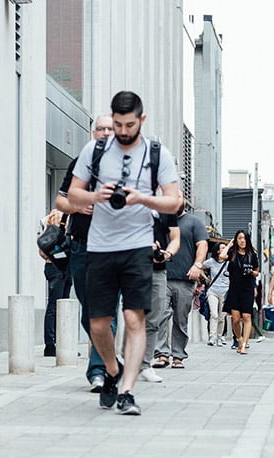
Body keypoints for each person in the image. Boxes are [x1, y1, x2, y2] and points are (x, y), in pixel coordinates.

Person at [68, 91, 181, 415]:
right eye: (117, 124)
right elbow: (73, 194)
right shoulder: (96, 149)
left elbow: (174, 201)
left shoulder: (157, 153)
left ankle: (127, 391)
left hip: (137, 246)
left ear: (141, 120)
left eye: (129, 124)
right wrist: (95, 195)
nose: (122, 131)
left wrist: (142, 199)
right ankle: (112, 371)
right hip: (100, 246)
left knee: (134, 319)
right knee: (98, 324)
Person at [55, 114, 118, 391]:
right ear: (93, 133)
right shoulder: (79, 164)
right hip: (81, 245)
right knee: (89, 312)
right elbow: (60, 200)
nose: (104, 133)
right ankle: (106, 356)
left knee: (107, 311)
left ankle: (98, 371)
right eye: (100, 128)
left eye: (110, 129)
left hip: (114, 247)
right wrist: (77, 206)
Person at [154, 203, 209, 369]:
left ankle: (178, 355)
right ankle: (162, 354)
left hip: (185, 278)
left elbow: (203, 245)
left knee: (181, 318)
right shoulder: (160, 220)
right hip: (162, 275)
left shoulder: (193, 222)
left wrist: (197, 265)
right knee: (161, 315)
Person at [137, 210, 179, 383]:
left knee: (154, 319)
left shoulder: (165, 207)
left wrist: (166, 254)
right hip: (131, 267)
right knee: (132, 317)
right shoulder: (129, 200)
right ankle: (126, 363)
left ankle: (145, 366)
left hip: (157, 270)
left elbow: (175, 237)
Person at [38, 209, 73, 357]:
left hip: (62, 265)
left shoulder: (64, 215)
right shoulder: (59, 215)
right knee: (55, 305)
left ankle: (60, 344)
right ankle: (50, 344)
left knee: (62, 306)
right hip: (57, 265)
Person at [220, 230, 259, 355]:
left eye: (244, 238)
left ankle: (244, 345)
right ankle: (239, 339)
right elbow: (221, 257)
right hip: (234, 289)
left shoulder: (252, 255)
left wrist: (251, 272)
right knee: (235, 319)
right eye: (239, 238)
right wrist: (229, 245)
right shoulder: (232, 253)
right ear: (236, 240)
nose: (242, 241)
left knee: (247, 316)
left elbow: (257, 271)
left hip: (247, 288)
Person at [202, 242, 230, 346]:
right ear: (218, 251)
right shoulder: (211, 262)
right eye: (222, 248)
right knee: (214, 314)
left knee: (222, 317)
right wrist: (205, 278)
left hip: (225, 292)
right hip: (213, 291)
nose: (225, 249)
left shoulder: (229, 263)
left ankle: (219, 337)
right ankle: (212, 337)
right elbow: (200, 267)